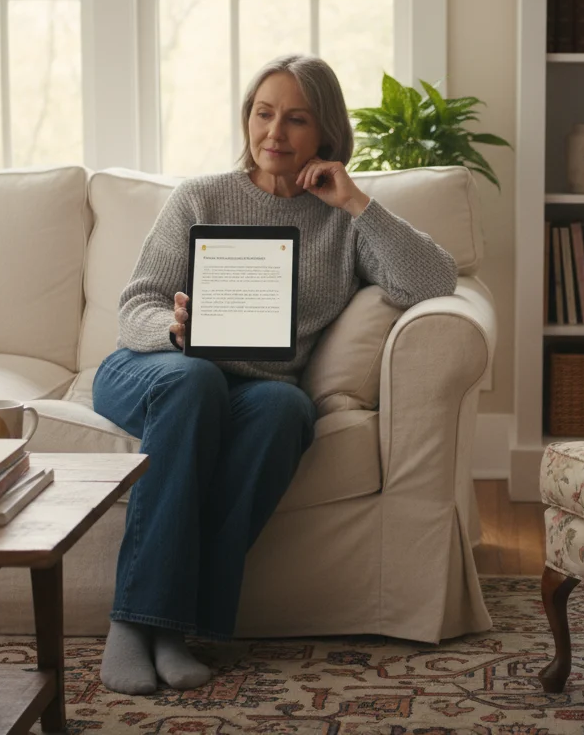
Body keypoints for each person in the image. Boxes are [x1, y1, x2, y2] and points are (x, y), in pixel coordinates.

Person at [91, 53, 459, 695]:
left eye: (295, 119)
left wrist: (356, 203)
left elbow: (433, 281)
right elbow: (135, 307)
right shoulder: (201, 196)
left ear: (325, 134)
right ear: (247, 119)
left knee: (289, 411)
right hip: (155, 368)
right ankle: (136, 619)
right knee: (195, 381)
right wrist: (174, 331)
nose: (274, 134)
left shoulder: (343, 220)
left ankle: (178, 626)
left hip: (258, 389)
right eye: (264, 114)